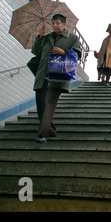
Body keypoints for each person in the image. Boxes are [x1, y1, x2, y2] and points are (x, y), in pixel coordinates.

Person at [32, 14, 81, 143]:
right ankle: (51, 130)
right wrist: (39, 37)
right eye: (53, 23)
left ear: (64, 24)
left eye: (58, 23)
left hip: (58, 75)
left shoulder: (72, 38)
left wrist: (64, 52)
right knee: (41, 104)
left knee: (49, 103)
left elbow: (78, 54)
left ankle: (42, 134)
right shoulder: (47, 38)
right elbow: (35, 51)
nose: (55, 26)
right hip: (42, 74)